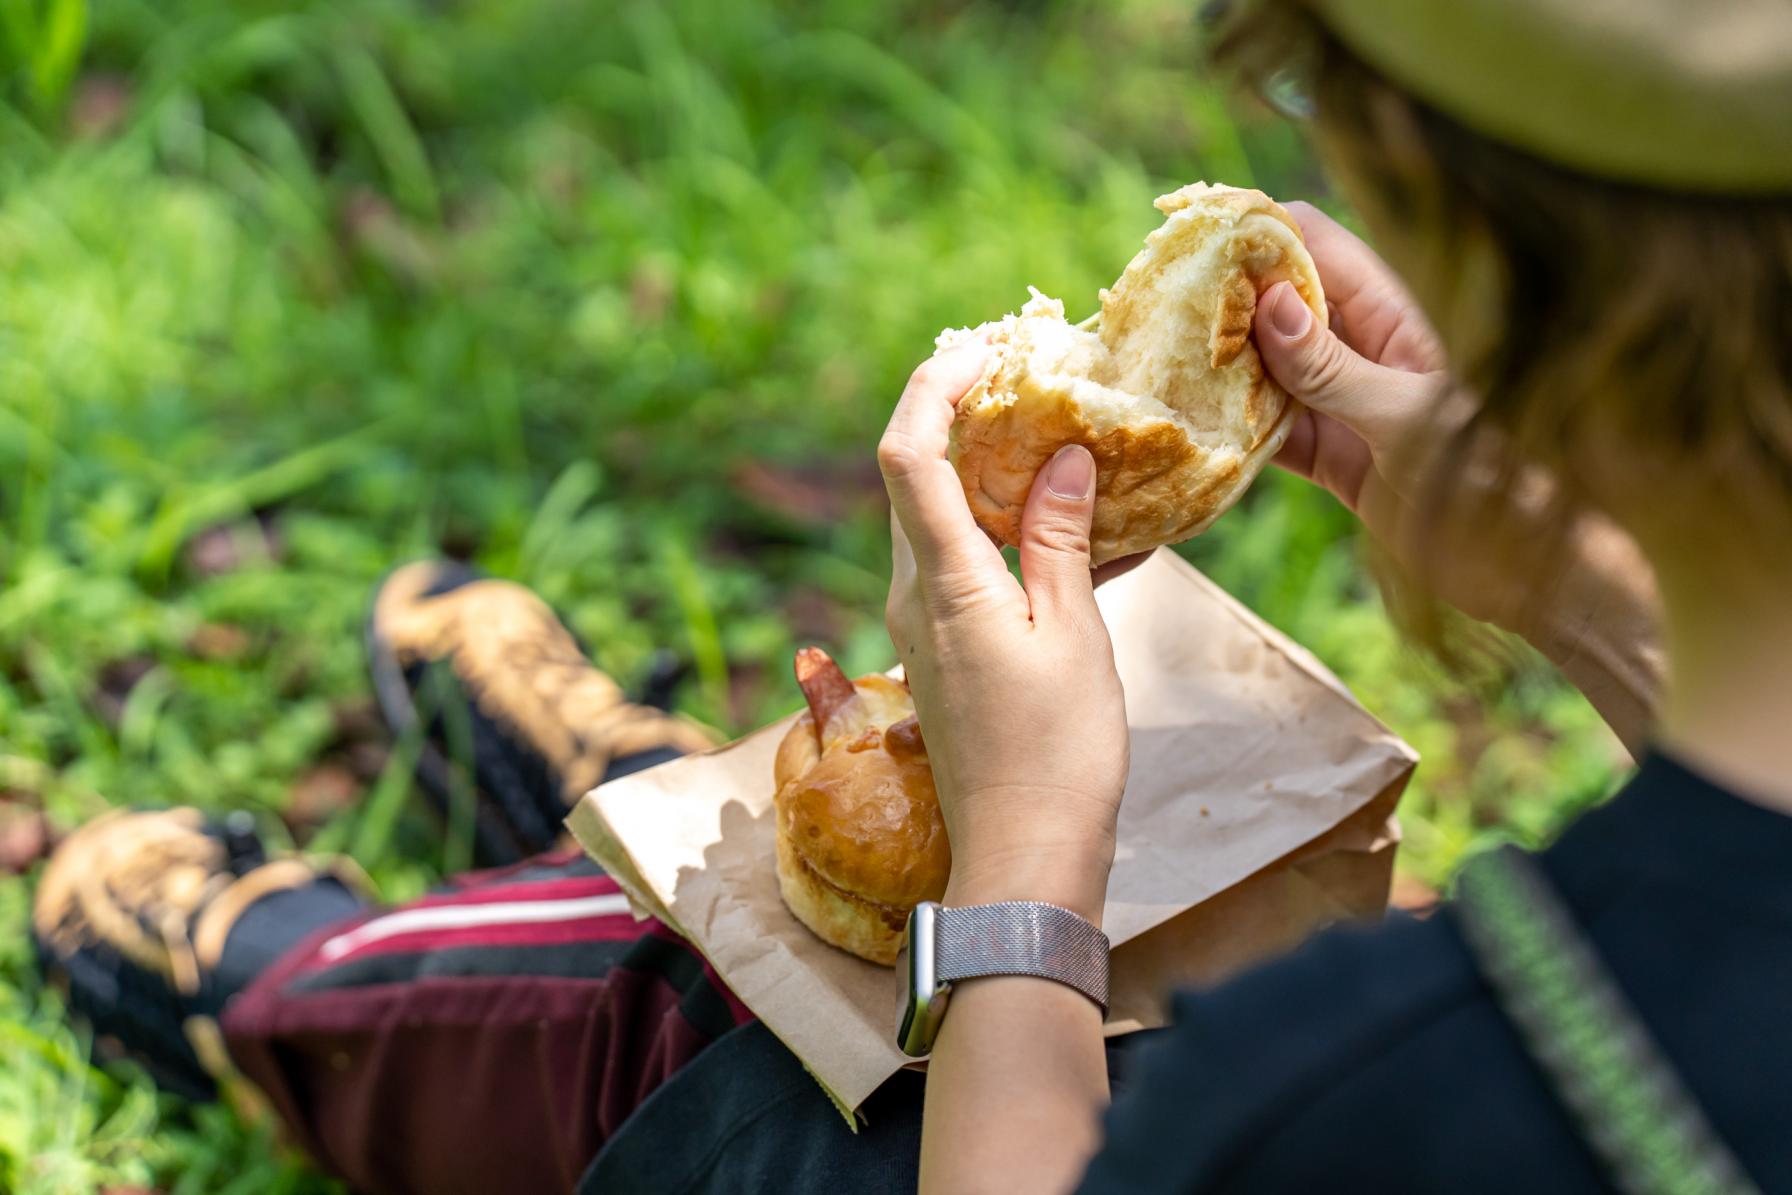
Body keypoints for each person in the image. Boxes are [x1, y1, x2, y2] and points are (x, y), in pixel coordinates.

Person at [32, 0, 1792, 1189]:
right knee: (870, 907)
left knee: (770, 1067)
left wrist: (1025, 858)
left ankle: (270, 989)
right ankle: (668, 812)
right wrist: (1586, 585)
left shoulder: (1404, 1094)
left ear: (1457, 210)